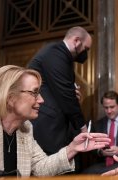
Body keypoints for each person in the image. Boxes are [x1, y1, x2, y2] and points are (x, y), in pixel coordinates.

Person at [0, 65, 110, 177]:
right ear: (9, 98)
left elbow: (41, 167)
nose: (42, 100)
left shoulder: (25, 129)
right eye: (35, 93)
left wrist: (72, 149)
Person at [28, 26, 92, 156]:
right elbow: (65, 94)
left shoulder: (63, 56)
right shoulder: (55, 52)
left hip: (54, 124)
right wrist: (82, 127)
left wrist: (73, 93)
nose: (86, 54)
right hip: (46, 124)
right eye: (86, 49)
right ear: (77, 41)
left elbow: (62, 90)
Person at [82, 90, 118, 174]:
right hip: (103, 163)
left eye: (112, 107)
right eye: (106, 108)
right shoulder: (98, 124)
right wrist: (100, 152)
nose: (109, 111)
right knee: (85, 174)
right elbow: (91, 147)